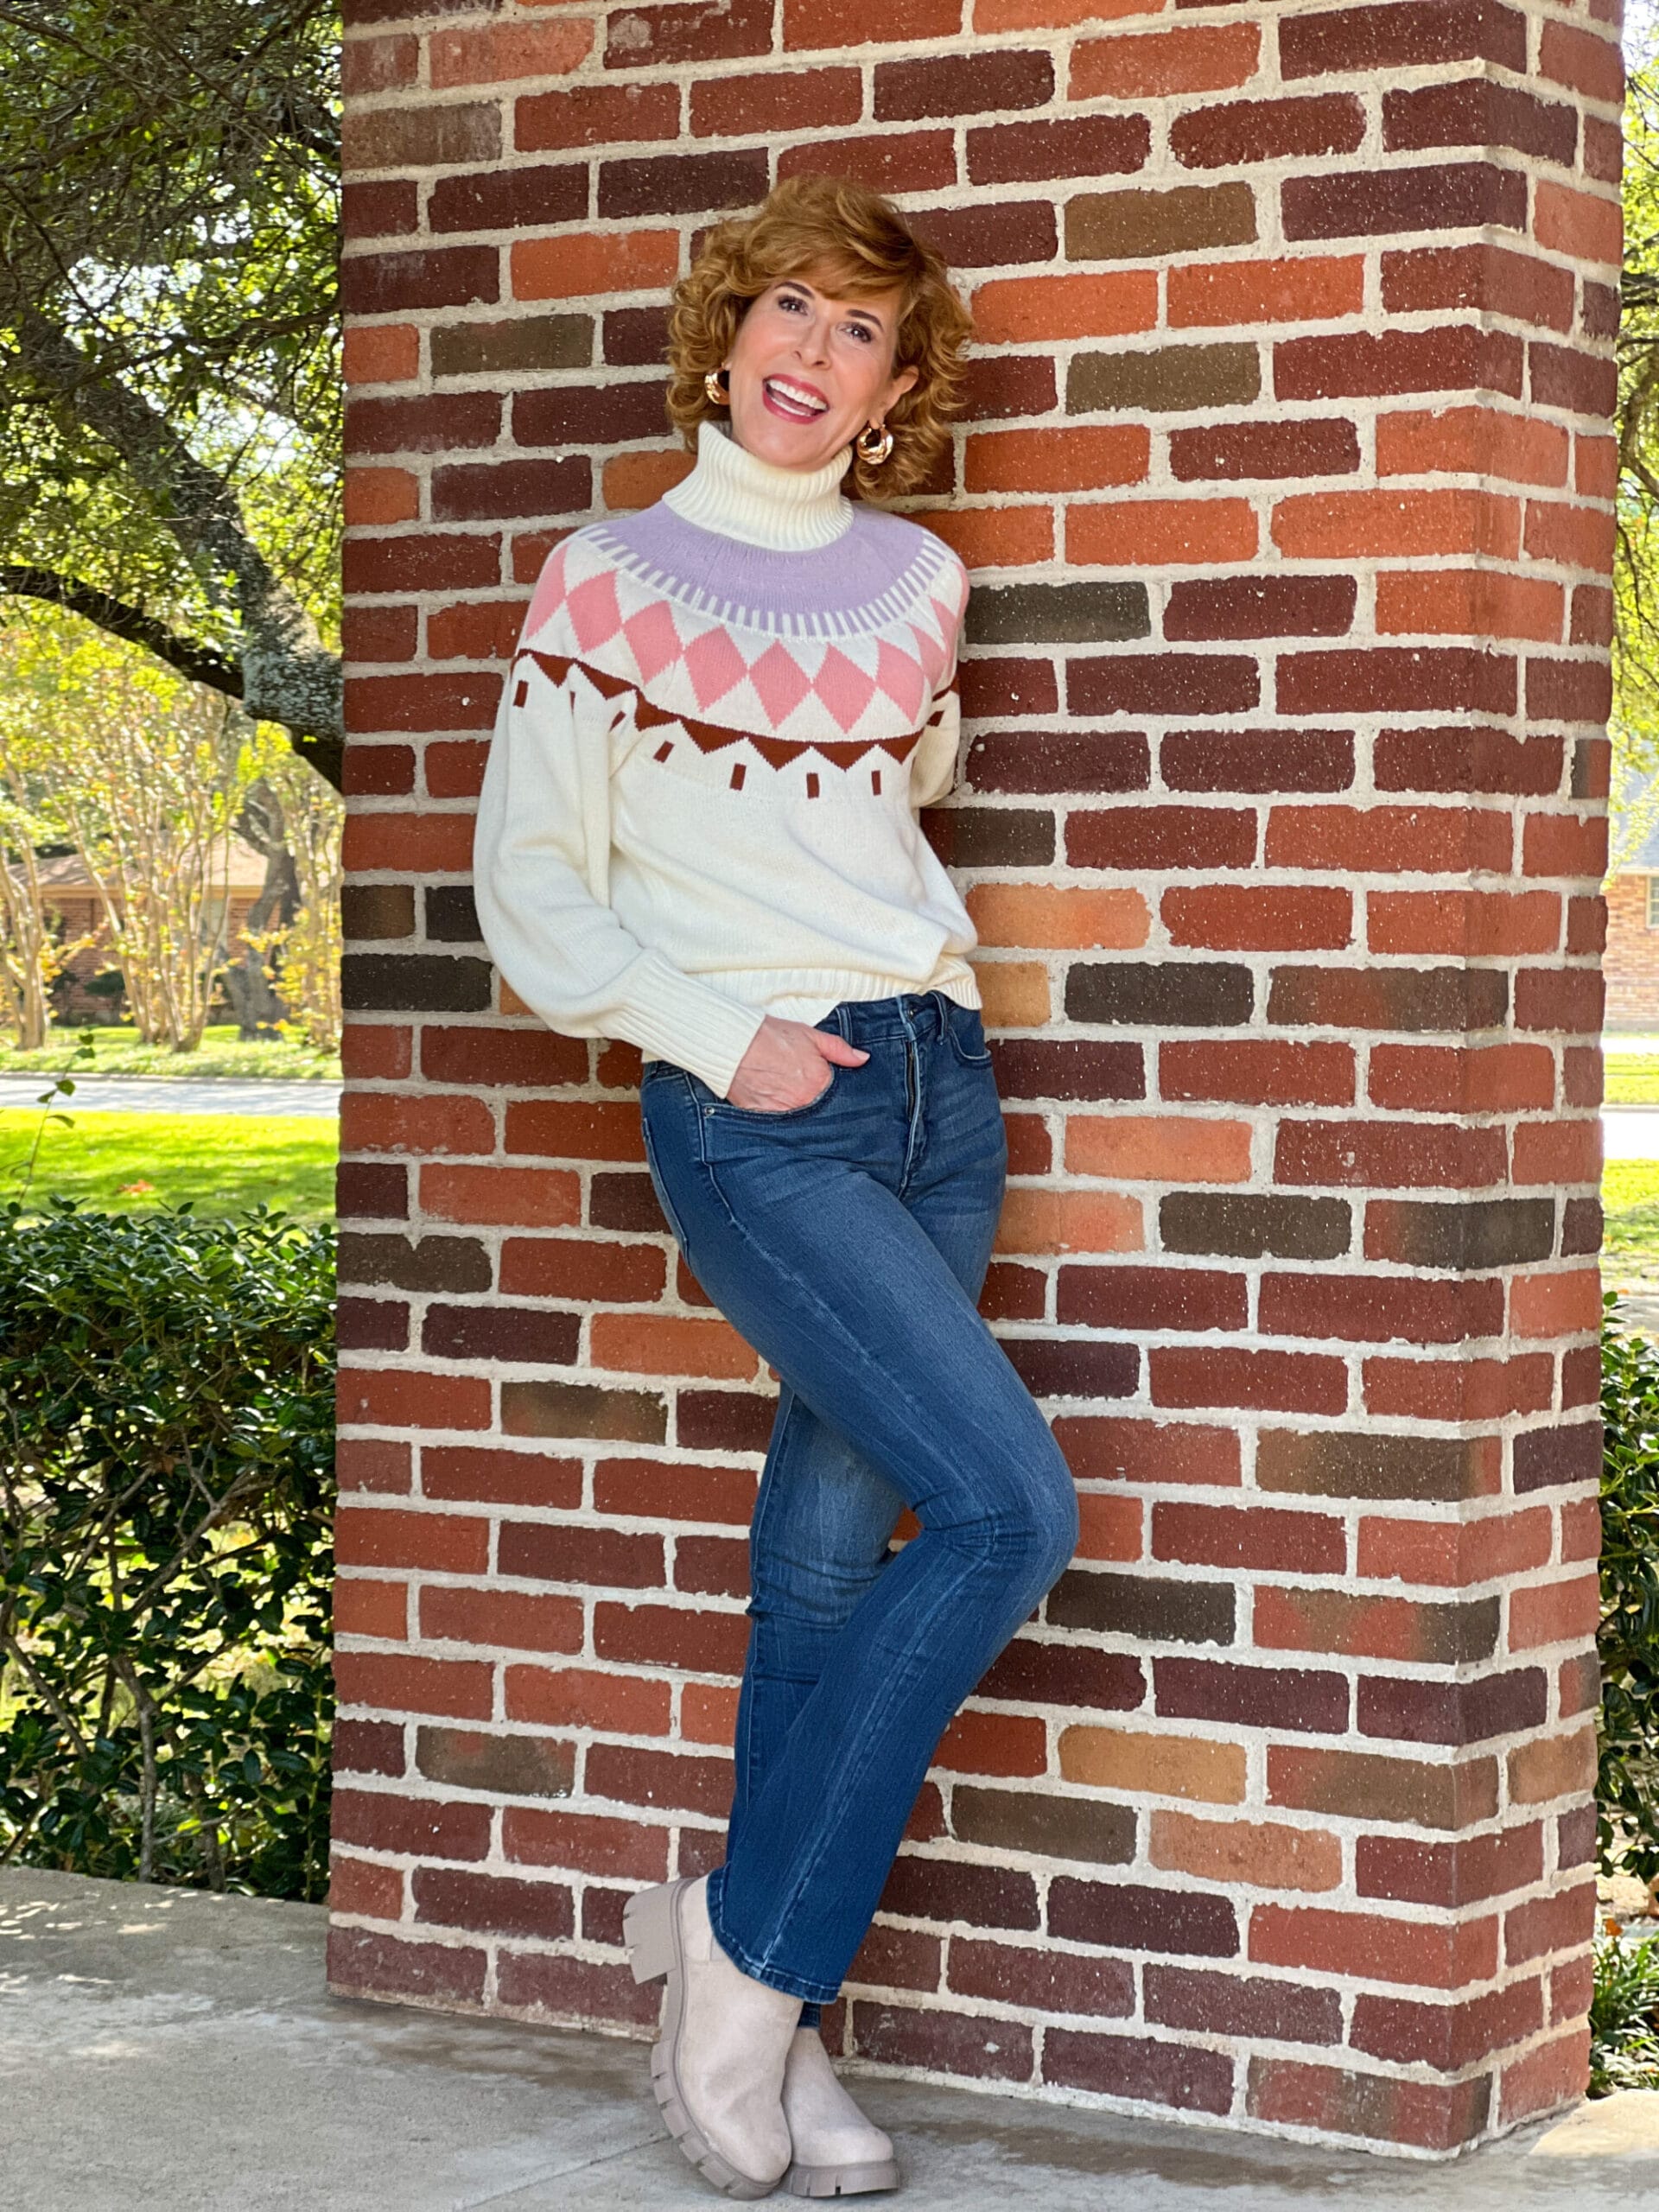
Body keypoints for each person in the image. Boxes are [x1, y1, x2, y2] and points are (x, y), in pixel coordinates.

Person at [474, 174, 1080, 2202]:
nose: (816, 358)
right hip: (764, 1102)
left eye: (862, 337)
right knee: (1008, 1506)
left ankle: (772, 2008)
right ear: (730, 331)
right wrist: (709, 1027)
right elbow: (536, 889)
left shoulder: (918, 579)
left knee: (828, 1561)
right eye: (793, 313)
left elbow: (880, 796)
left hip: (936, 1085)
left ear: (899, 394)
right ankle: (744, 1966)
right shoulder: (608, 575)